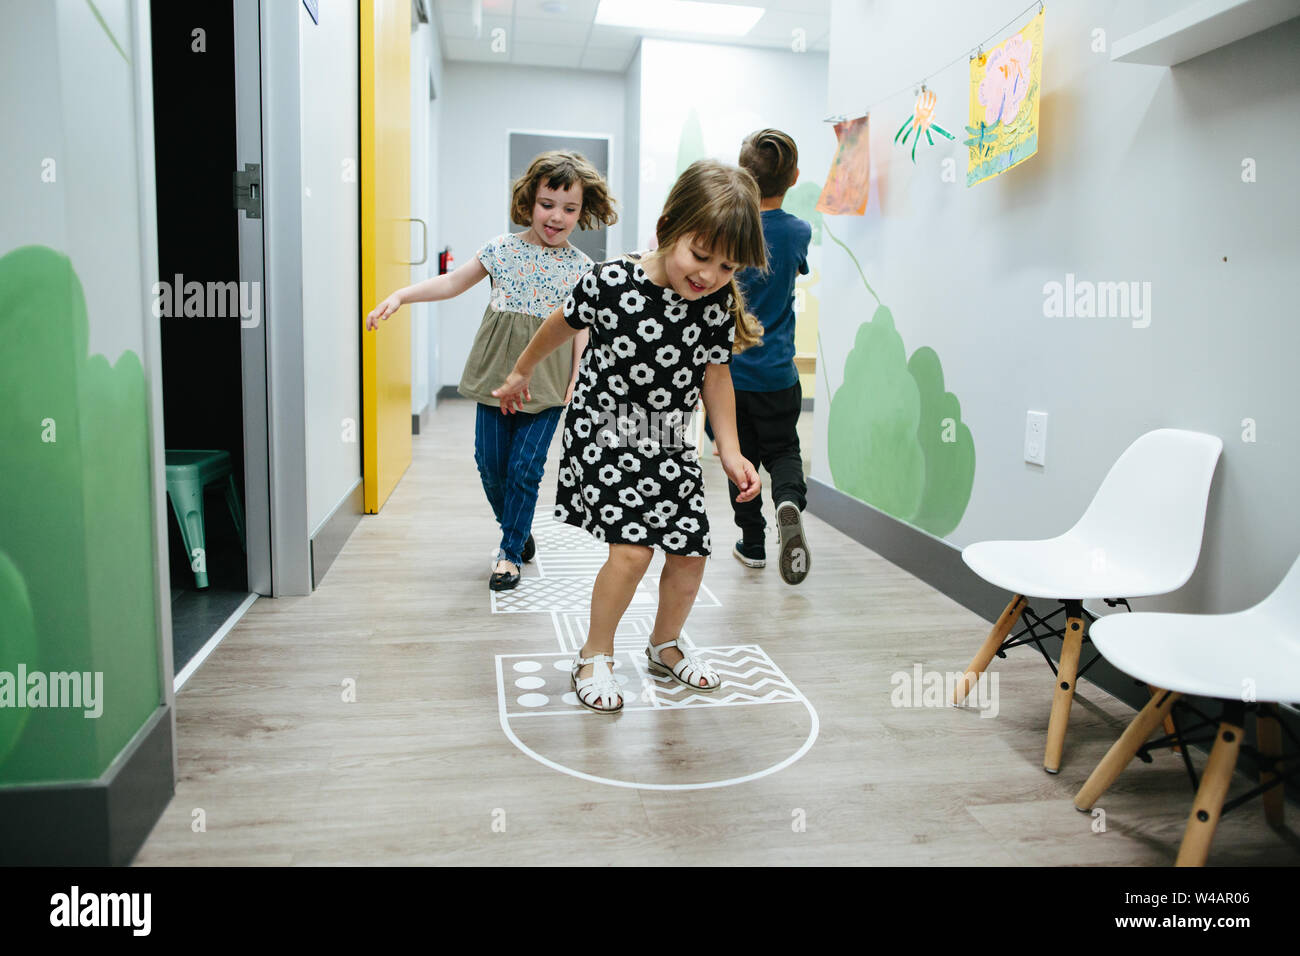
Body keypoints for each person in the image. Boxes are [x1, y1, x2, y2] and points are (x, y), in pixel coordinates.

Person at [492, 160, 765, 713]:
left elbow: (716, 376)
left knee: (690, 551)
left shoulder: (712, 303)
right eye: (701, 255)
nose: (710, 275)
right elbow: (558, 324)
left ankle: (665, 644)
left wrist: (730, 450)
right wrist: (522, 369)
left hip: (667, 442)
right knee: (634, 552)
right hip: (605, 435)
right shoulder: (611, 281)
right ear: (669, 227)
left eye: (727, 266)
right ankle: (594, 654)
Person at [366, 151, 617, 590]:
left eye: (569, 208)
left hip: (548, 383)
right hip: (495, 378)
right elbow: (450, 283)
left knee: (526, 467)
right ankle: (518, 531)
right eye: (547, 204)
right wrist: (401, 295)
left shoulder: (583, 269)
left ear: (583, 210)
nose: (556, 216)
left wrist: (577, 376)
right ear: (529, 202)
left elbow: (581, 329)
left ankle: (508, 552)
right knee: (490, 464)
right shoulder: (500, 249)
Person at [729, 129, 813, 586]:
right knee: (784, 450)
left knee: (738, 457)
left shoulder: (731, 228)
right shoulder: (799, 230)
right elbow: (795, 265)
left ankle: (754, 542)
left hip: (732, 376)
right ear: (795, 177)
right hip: (780, 372)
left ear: (742, 176)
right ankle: (788, 502)